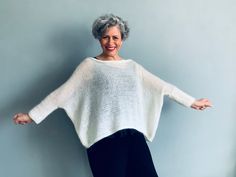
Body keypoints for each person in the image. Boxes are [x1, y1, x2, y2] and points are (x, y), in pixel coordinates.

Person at [13, 14, 212, 177]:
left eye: (115, 37)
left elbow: (164, 87)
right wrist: (31, 116)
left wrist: (192, 102)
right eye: (105, 37)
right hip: (104, 140)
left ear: (122, 39)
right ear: (99, 38)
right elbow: (61, 95)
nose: (110, 42)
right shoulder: (89, 66)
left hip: (134, 138)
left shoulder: (133, 68)